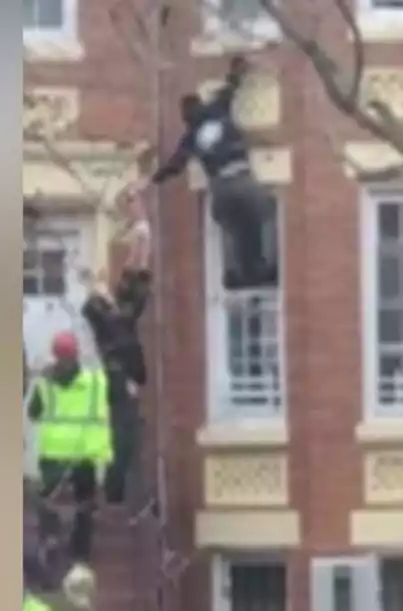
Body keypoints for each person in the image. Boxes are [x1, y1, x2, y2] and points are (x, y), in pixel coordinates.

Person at [133, 55, 276, 290]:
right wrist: (240, 67)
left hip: (221, 189)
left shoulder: (189, 138)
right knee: (259, 216)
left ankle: (235, 272)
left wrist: (149, 180)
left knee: (231, 226)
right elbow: (231, 86)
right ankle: (262, 267)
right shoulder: (217, 108)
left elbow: (174, 166)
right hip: (242, 179)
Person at [81, 185, 153, 505]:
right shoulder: (112, 317)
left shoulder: (108, 315)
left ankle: (115, 488)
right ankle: (114, 491)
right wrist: (140, 230)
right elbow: (137, 273)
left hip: (116, 376)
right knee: (123, 434)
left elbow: (136, 271)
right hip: (117, 377)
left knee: (122, 432)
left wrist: (138, 226)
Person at [25, 330, 113, 575]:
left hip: (55, 457)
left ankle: (53, 542)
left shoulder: (46, 384)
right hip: (83, 456)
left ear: (55, 355)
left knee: (48, 501)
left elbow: (33, 413)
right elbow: (113, 401)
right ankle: (79, 552)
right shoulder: (95, 382)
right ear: (76, 356)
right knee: (84, 505)